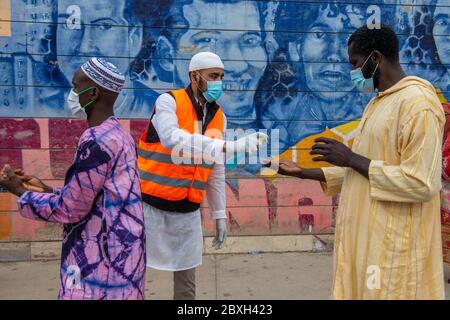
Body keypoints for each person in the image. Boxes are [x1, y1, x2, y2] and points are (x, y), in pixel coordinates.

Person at [268, 25, 446, 299]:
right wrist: (303, 172)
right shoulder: (378, 103)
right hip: (368, 242)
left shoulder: (417, 105)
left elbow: (421, 183)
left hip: (393, 249)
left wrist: (350, 157)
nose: (352, 72)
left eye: (355, 63)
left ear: (375, 59)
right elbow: (365, 170)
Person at [0, 58, 146, 300]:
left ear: (93, 93)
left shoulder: (96, 140)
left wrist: (21, 192)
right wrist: (46, 189)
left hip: (99, 261)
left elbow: (71, 210)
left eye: (76, 86)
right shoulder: (119, 134)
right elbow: (96, 196)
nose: (72, 93)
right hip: (123, 255)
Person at [138, 51, 267, 300]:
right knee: (134, 270)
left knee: (186, 285)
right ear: (194, 76)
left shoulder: (220, 116)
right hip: (149, 207)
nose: (219, 82)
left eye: (220, 76)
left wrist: (219, 216)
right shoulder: (169, 102)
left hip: (187, 211)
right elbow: (171, 137)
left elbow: (215, 171)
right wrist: (229, 146)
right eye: (213, 76)